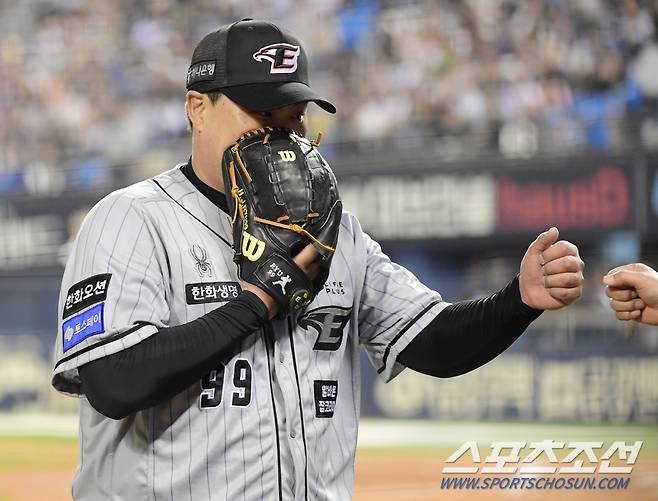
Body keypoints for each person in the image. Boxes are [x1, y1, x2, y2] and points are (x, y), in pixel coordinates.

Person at [51, 19, 585, 500]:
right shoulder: (131, 220)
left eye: (294, 118)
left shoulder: (334, 232)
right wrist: (256, 302)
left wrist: (518, 301)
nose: (281, 137)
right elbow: (113, 381)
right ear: (197, 108)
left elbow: (433, 341)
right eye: (262, 114)